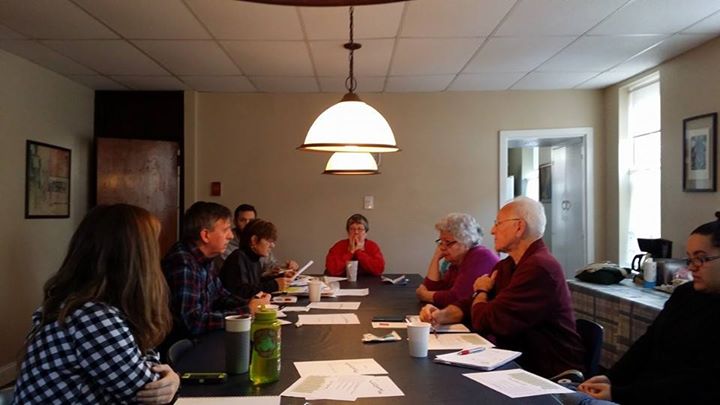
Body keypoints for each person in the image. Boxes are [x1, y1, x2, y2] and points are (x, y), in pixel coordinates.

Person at [13, 204, 179, 404]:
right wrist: (173, 380)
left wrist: (167, 378)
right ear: (136, 258)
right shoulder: (91, 316)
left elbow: (143, 355)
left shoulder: (80, 306)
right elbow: (147, 393)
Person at [565, 212, 720, 405]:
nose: (692, 268)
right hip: (640, 390)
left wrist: (619, 393)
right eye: (689, 259)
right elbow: (647, 344)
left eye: (701, 259)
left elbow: (697, 385)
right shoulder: (685, 293)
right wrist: (611, 378)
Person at [420, 196, 584, 378]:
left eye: (497, 224)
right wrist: (441, 316)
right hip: (514, 359)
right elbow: (469, 305)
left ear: (519, 227)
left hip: (544, 370)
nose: (492, 231)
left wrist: (481, 290)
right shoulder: (507, 265)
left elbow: (486, 320)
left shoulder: (539, 268)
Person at [162, 202, 269, 340]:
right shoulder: (183, 263)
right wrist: (246, 311)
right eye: (226, 230)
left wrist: (252, 302)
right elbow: (192, 322)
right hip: (189, 348)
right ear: (205, 235)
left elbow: (221, 296)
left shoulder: (205, 258)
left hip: (205, 338)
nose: (231, 236)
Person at [416, 213, 499, 308]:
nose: (442, 248)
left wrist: (425, 295)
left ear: (466, 241)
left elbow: (456, 298)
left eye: (448, 242)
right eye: (441, 242)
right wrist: (436, 258)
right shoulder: (457, 262)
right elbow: (433, 288)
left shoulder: (481, 256)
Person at [220, 219, 295, 298]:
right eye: (269, 241)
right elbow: (241, 292)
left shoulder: (255, 259)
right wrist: (274, 285)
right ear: (254, 240)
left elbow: (255, 284)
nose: (272, 245)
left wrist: (279, 277)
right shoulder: (238, 257)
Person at [220, 203, 298, 273]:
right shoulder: (226, 242)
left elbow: (271, 266)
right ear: (235, 222)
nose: (247, 224)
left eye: (251, 221)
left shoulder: (261, 241)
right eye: (243, 220)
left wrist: (285, 269)